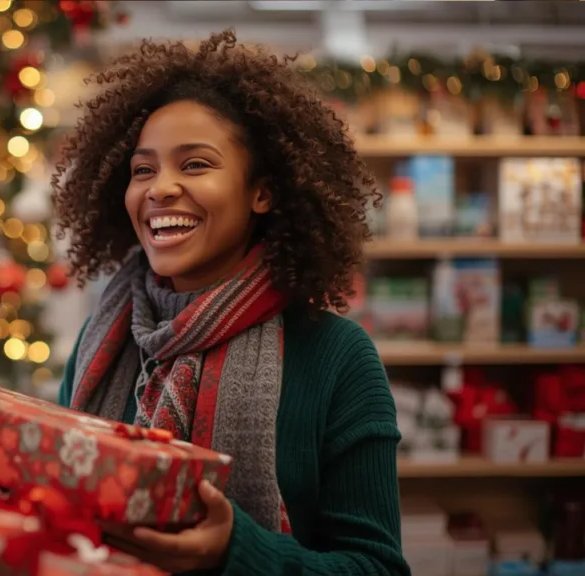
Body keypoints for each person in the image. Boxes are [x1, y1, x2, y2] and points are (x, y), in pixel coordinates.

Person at [52, 30, 410, 576]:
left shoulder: (336, 356)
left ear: (261, 192)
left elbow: (378, 568)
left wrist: (235, 551)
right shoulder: (104, 338)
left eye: (195, 165)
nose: (160, 188)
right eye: (143, 170)